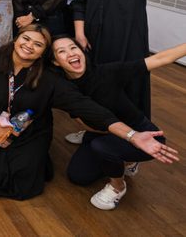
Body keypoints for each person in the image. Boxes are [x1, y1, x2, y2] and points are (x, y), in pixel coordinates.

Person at [0, 25, 168, 201]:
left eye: (38, 45)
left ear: (43, 54)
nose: (29, 46)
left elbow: (91, 109)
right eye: (26, 39)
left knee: (23, 181)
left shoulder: (50, 80)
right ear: (17, 38)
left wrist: (132, 135)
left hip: (30, 131)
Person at [51, 37, 184, 210]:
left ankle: (118, 186)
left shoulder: (108, 72)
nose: (70, 53)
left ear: (82, 52)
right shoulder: (64, 88)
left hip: (144, 135)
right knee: (78, 176)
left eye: (73, 48)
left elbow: (160, 58)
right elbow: (78, 118)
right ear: (55, 62)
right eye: (62, 51)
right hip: (102, 133)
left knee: (102, 147)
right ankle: (120, 159)